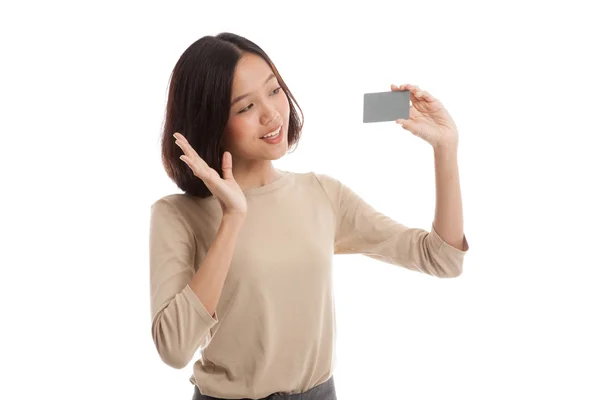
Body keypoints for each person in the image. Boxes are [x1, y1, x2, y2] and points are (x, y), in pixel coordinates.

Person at [149, 32, 470, 400]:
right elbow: (173, 349)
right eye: (244, 108)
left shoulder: (320, 194)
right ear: (210, 122)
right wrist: (233, 218)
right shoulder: (176, 215)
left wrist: (445, 147)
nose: (271, 114)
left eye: (274, 91)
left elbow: (443, 259)